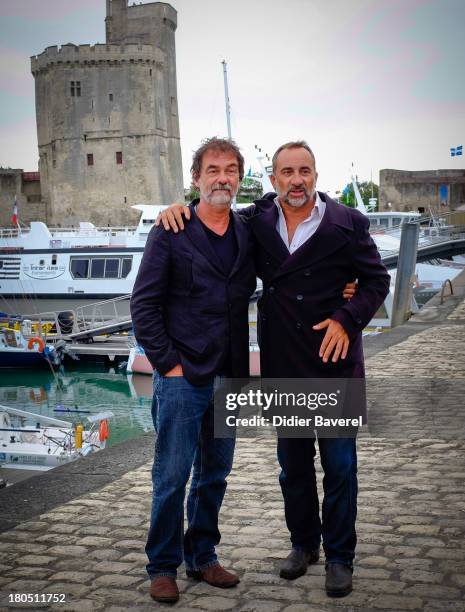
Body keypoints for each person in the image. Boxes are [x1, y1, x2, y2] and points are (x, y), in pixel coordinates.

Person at [157, 140, 390, 598]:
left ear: (316, 176)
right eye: (287, 172)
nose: (296, 180)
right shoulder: (258, 221)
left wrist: (347, 318)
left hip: (334, 363)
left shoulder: (347, 223)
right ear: (273, 180)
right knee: (293, 468)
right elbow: (212, 207)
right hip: (284, 361)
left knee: (340, 466)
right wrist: (176, 208)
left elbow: (376, 280)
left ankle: (340, 556)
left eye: (304, 171)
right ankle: (304, 545)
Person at [130, 137, 256, 603]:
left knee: (215, 474)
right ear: (197, 178)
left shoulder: (249, 230)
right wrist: (170, 366)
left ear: (239, 177)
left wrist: (345, 288)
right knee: (172, 475)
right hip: (183, 378)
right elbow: (143, 306)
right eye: (213, 170)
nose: (222, 178)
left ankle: (202, 557)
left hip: (230, 375)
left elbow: (292, 224)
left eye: (230, 170)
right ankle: (162, 566)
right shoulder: (171, 230)